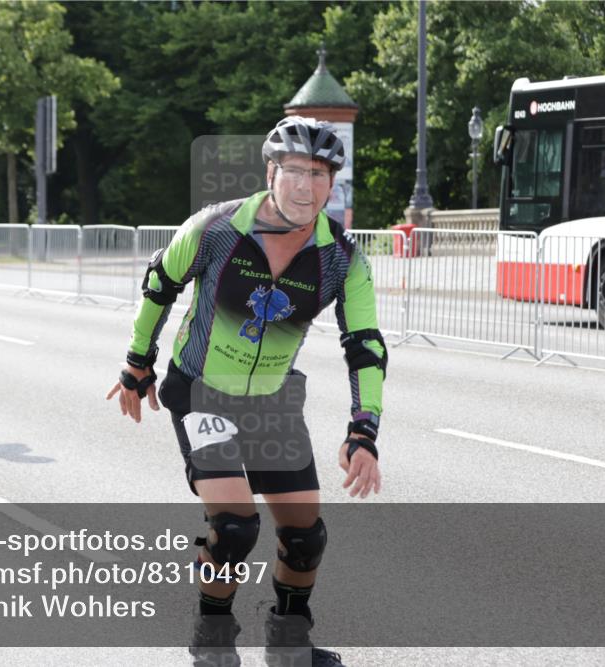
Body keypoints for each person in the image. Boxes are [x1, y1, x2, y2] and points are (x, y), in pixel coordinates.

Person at [107, 117, 387, 666]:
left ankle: (287, 640)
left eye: (320, 174)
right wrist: (138, 362)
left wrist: (364, 428)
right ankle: (212, 637)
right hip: (202, 391)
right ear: (271, 172)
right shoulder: (216, 228)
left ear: (333, 183)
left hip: (273, 400)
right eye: (295, 172)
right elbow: (158, 282)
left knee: (305, 537)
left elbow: (366, 345)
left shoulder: (343, 258)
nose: (306, 186)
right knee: (235, 527)